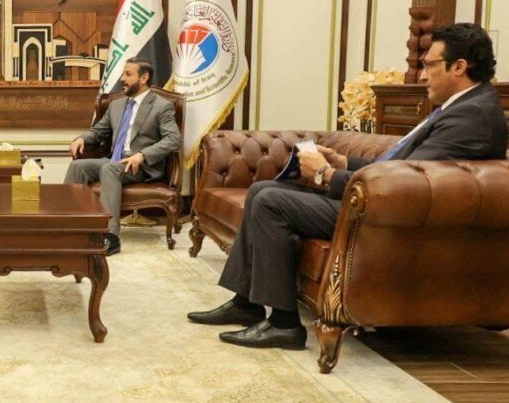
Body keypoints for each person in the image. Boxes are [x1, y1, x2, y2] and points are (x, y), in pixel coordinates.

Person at [188, 22, 509, 350]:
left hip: (382, 216)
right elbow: (399, 168)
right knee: (261, 191)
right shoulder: (462, 107)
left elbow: (409, 179)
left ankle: (284, 324)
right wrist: (343, 163)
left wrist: (325, 174)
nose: (424, 75)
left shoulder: (472, 117)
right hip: (377, 204)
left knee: (270, 201)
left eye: (430, 65)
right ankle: (246, 304)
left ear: (459, 66)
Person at [63, 58, 181, 255]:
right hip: (114, 160)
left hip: (140, 166)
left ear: (144, 78)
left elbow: (174, 139)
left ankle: (110, 236)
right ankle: (70, 227)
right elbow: (98, 131)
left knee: (109, 169)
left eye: (128, 74)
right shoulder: (116, 106)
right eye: (122, 74)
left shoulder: (161, 106)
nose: (122, 79)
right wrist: (82, 138)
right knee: (78, 166)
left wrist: (142, 155)